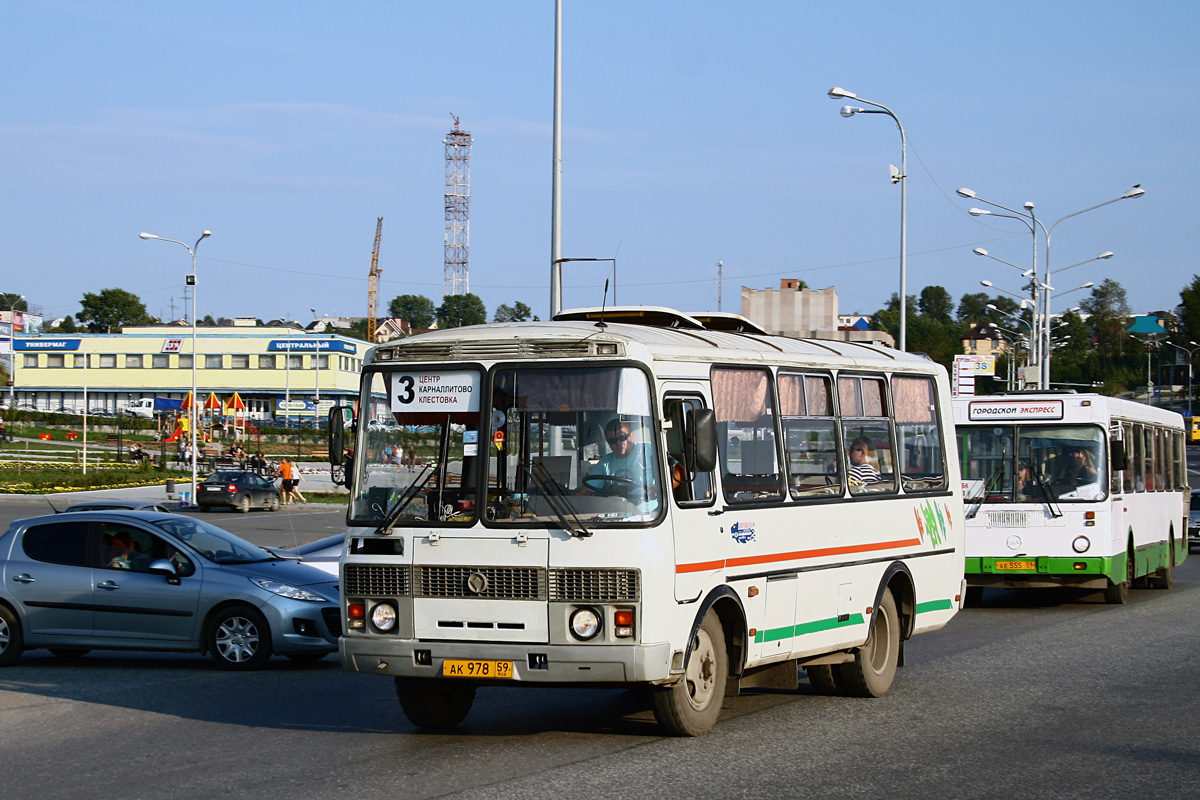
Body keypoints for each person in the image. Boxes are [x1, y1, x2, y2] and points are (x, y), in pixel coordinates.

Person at [577, 419, 656, 506]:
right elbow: (585, 492)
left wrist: (658, 490)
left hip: (651, 515)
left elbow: (673, 470)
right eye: (613, 440)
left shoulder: (649, 450)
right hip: (617, 513)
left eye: (622, 437)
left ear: (631, 436)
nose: (618, 443)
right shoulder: (605, 462)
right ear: (608, 443)